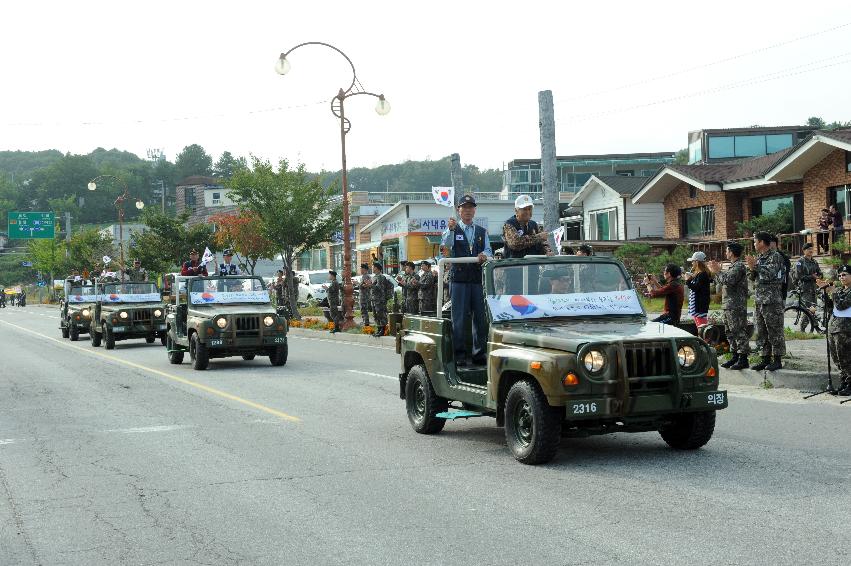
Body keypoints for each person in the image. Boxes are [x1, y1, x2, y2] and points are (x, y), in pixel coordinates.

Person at [441, 194, 492, 366]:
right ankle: (460, 354)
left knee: (480, 318)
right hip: (459, 280)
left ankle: (479, 354)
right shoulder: (452, 229)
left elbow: (489, 251)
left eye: (471, 207)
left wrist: (485, 255)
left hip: (477, 279)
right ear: (459, 210)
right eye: (464, 207)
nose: (468, 210)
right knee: (459, 318)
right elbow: (446, 248)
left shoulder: (481, 231)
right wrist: (451, 230)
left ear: (474, 210)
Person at [746, 232, 786, 371]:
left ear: (762, 242)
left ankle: (777, 359)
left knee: (774, 331)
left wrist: (756, 266)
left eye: (755, 241)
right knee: (761, 331)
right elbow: (752, 278)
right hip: (759, 300)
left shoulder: (775, 256)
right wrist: (751, 268)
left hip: (772, 300)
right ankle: (765, 358)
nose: (754, 244)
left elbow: (771, 273)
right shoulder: (760, 257)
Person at [708, 242, 750, 370]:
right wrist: (716, 273)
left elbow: (729, 280)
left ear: (731, 252)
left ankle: (743, 358)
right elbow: (721, 281)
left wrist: (718, 271)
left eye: (727, 251)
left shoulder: (739, 266)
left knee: (738, 331)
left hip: (736, 305)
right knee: (729, 331)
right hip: (728, 304)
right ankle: (735, 356)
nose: (725, 253)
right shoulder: (732, 266)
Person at [817, 265, 851, 396]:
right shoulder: (840, 291)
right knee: (837, 358)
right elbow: (830, 306)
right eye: (840, 275)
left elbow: (842, 305)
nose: (842, 277)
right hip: (834, 328)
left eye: (845, 274)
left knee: (846, 357)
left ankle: (850, 383)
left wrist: (833, 291)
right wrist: (825, 292)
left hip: (846, 330)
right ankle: (844, 382)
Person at [794, 243, 822, 331]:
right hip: (805, 289)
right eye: (808, 249)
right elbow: (799, 276)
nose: (810, 250)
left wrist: (819, 276)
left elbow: (819, 273)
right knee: (809, 309)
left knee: (811, 309)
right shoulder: (800, 262)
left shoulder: (814, 261)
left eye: (811, 248)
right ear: (804, 251)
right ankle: (816, 327)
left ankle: (802, 329)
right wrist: (812, 277)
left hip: (814, 289)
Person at [684, 251, 712, 328]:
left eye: (692, 261)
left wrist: (687, 280)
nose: (692, 263)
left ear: (697, 262)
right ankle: (703, 338)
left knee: (702, 327)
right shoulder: (700, 274)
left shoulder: (702, 274)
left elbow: (695, 288)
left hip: (700, 305)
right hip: (698, 304)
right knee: (699, 326)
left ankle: (705, 339)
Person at [369, 262, 392, 336]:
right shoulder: (374, 277)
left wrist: (371, 285)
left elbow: (379, 288)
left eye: (373, 267)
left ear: (377, 268)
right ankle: (379, 328)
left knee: (381, 314)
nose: (372, 268)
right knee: (375, 315)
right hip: (374, 299)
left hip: (380, 299)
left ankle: (383, 330)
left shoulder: (381, 277)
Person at [769, 235, 792, 300]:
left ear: (774, 243)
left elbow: (785, 273)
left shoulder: (783, 257)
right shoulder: (765, 257)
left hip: (780, 290)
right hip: (767, 294)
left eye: (770, 242)